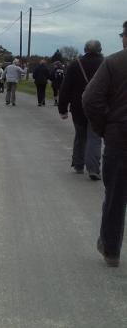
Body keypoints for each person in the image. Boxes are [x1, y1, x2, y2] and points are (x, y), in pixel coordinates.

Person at [82, 22, 127, 267]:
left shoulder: (114, 62)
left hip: (120, 137)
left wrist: (103, 127)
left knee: (116, 197)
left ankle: (111, 250)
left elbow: (90, 99)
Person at [58, 40, 104, 179]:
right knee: (95, 137)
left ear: (85, 49)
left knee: (80, 135)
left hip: (78, 106)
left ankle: (78, 164)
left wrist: (62, 108)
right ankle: (93, 169)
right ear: (100, 50)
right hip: (99, 106)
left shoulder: (75, 64)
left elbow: (66, 87)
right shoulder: (105, 63)